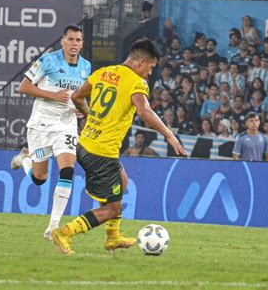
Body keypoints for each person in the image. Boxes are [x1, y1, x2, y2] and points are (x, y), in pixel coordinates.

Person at [51, 38, 186, 254]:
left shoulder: (103, 72)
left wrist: (89, 115)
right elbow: (144, 112)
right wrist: (169, 135)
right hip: (102, 153)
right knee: (112, 208)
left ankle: (112, 237)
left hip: (85, 143)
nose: (150, 73)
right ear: (141, 62)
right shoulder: (136, 82)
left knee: (122, 181)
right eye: (151, 68)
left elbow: (77, 96)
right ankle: (64, 232)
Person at [10, 25, 91, 240]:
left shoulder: (86, 66)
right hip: (41, 125)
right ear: (63, 41)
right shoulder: (48, 60)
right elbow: (24, 87)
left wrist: (82, 110)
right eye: (71, 39)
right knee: (40, 178)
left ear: (82, 44)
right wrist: (52, 95)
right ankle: (24, 159)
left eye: (78, 40)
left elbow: (80, 96)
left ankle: (53, 226)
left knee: (67, 170)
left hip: (66, 125)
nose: (75, 44)